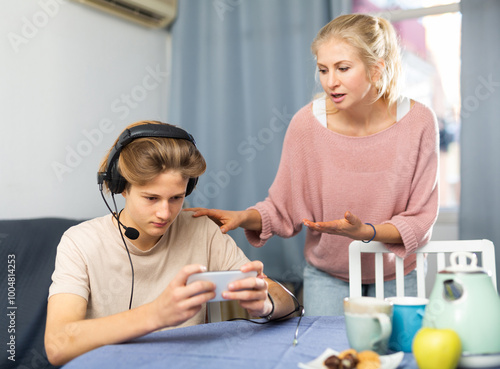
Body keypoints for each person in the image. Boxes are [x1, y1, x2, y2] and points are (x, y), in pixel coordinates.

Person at [186, 14, 439, 316]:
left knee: (400, 360)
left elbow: (421, 218)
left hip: (398, 271)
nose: (331, 81)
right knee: (325, 360)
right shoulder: (306, 124)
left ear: (376, 69)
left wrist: (367, 232)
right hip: (328, 276)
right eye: (323, 69)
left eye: (343, 68)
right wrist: (243, 217)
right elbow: (284, 208)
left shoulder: (419, 122)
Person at [44, 121, 297, 366]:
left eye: (176, 198)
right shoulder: (79, 242)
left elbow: (286, 302)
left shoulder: (202, 230)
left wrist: (265, 303)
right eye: (151, 198)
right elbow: (57, 346)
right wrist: (156, 314)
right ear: (121, 187)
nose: (165, 213)